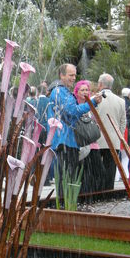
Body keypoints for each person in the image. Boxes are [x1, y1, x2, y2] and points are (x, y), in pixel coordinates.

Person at [48, 63, 102, 198]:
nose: (73, 78)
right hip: (64, 142)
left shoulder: (63, 91)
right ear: (62, 75)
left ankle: (67, 207)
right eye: (71, 75)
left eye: (74, 75)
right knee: (65, 180)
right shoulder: (59, 91)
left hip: (68, 142)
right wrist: (92, 102)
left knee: (69, 179)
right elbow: (72, 111)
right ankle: (65, 209)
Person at [73, 80, 105, 194]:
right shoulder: (75, 106)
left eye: (87, 90)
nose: (85, 92)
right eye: (82, 90)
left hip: (94, 145)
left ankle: (95, 196)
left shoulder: (93, 105)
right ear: (77, 92)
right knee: (83, 174)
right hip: (82, 146)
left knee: (97, 173)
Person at [96, 73, 126, 191]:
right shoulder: (121, 101)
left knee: (97, 168)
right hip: (114, 141)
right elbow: (123, 122)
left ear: (100, 84)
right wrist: (119, 136)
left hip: (97, 139)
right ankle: (109, 192)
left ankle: (98, 192)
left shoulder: (96, 99)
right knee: (111, 168)